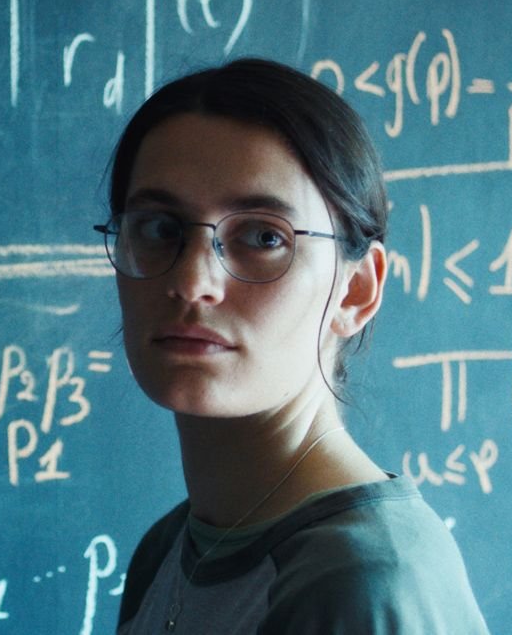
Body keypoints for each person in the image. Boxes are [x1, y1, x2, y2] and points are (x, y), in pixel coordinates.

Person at [103, 59, 489, 634]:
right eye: (160, 228)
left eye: (264, 237)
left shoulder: (360, 581)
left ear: (355, 290)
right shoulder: (167, 550)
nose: (192, 281)